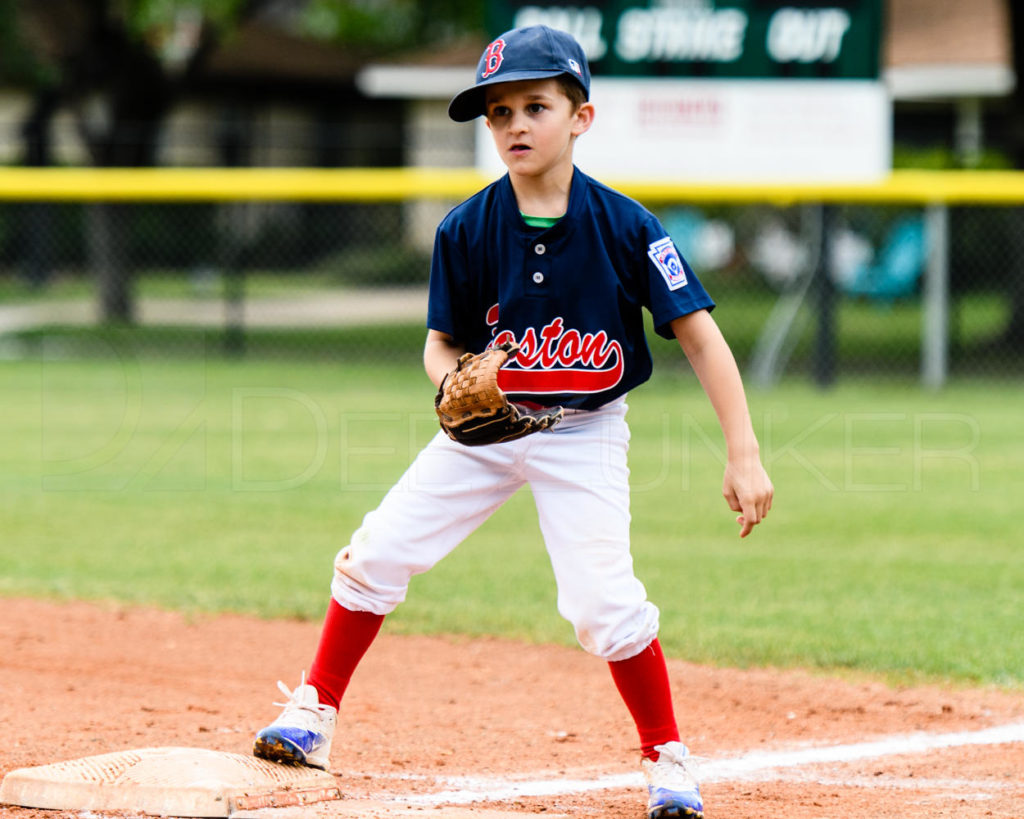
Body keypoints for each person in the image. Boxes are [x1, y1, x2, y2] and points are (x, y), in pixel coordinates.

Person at [253, 25, 773, 819]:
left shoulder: (628, 226)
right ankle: (314, 712)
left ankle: (668, 756)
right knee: (375, 552)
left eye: (536, 105)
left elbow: (701, 335)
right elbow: (440, 348)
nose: (515, 125)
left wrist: (744, 453)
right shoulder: (464, 229)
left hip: (585, 433)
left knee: (603, 606)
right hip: (484, 435)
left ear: (581, 118)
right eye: (498, 113)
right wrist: (455, 385)